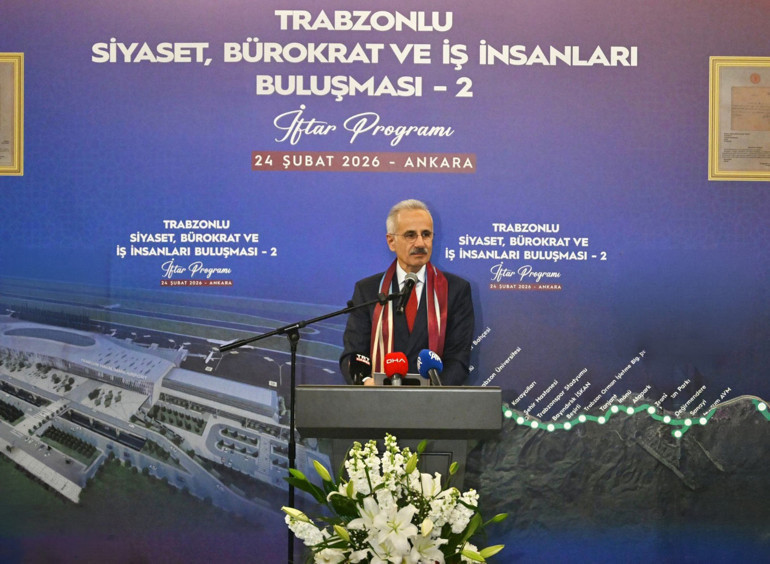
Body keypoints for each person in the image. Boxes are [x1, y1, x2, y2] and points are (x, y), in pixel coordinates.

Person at [340, 199, 475, 386]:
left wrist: (430, 395)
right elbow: (354, 354)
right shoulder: (368, 291)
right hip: (378, 399)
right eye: (410, 235)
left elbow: (458, 359)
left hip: (434, 400)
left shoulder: (456, 290)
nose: (420, 243)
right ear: (391, 241)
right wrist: (366, 383)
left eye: (426, 234)